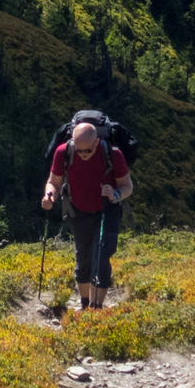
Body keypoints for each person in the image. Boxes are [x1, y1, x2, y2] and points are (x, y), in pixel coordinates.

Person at [41, 120, 132, 310]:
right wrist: (49, 196)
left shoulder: (113, 154)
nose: (82, 155)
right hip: (78, 209)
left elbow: (127, 187)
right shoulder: (63, 151)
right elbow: (54, 182)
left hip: (107, 210)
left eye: (87, 151)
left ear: (97, 142)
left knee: (101, 257)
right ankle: (84, 305)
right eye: (79, 150)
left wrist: (115, 194)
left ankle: (96, 306)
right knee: (83, 258)